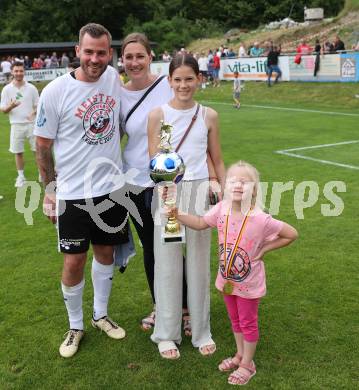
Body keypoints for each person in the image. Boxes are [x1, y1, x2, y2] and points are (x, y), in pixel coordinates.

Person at [34, 23, 128, 358]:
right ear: (77, 51)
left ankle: (100, 314)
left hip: (111, 190)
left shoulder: (114, 78)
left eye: (101, 52)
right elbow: (42, 146)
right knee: (74, 261)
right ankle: (75, 325)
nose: (95, 58)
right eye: (88, 51)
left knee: (105, 254)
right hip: (72, 194)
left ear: (109, 53)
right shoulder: (55, 91)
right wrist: (49, 191)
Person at [172, 160, 298, 384]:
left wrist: (265, 248)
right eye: (232, 180)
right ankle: (240, 355)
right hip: (227, 279)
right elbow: (201, 222)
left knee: (248, 322)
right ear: (225, 185)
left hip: (249, 284)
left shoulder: (261, 219)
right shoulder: (222, 208)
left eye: (245, 181)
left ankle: (248, 364)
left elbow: (291, 234)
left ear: (255, 188)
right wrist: (177, 214)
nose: (238, 185)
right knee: (235, 319)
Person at [147, 53, 226, 359]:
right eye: (177, 79)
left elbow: (216, 158)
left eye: (189, 79)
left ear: (199, 79)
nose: (183, 85)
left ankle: (202, 330)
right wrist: (165, 190)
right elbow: (154, 161)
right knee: (167, 265)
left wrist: (225, 187)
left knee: (198, 264)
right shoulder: (158, 115)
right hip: (168, 193)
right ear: (169, 81)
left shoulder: (209, 115)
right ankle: (166, 333)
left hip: (200, 194)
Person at [119, 32, 192, 333]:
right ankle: (160, 307)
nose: (134, 62)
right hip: (134, 184)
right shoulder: (118, 93)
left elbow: (189, 119)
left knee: (172, 245)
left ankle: (186, 310)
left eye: (140, 56)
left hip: (167, 183)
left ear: (151, 57)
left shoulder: (167, 84)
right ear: (122, 60)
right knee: (150, 247)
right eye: (129, 57)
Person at [0, 61, 39, 187]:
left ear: (24, 72)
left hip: (32, 124)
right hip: (16, 125)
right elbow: (4, 110)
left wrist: (33, 113)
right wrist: (11, 105)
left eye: (21, 71)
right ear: (12, 72)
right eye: (16, 71)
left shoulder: (32, 88)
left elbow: (38, 106)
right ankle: (21, 177)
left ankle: (41, 173)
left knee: (37, 151)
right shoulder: (6, 89)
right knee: (18, 152)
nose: (18, 73)